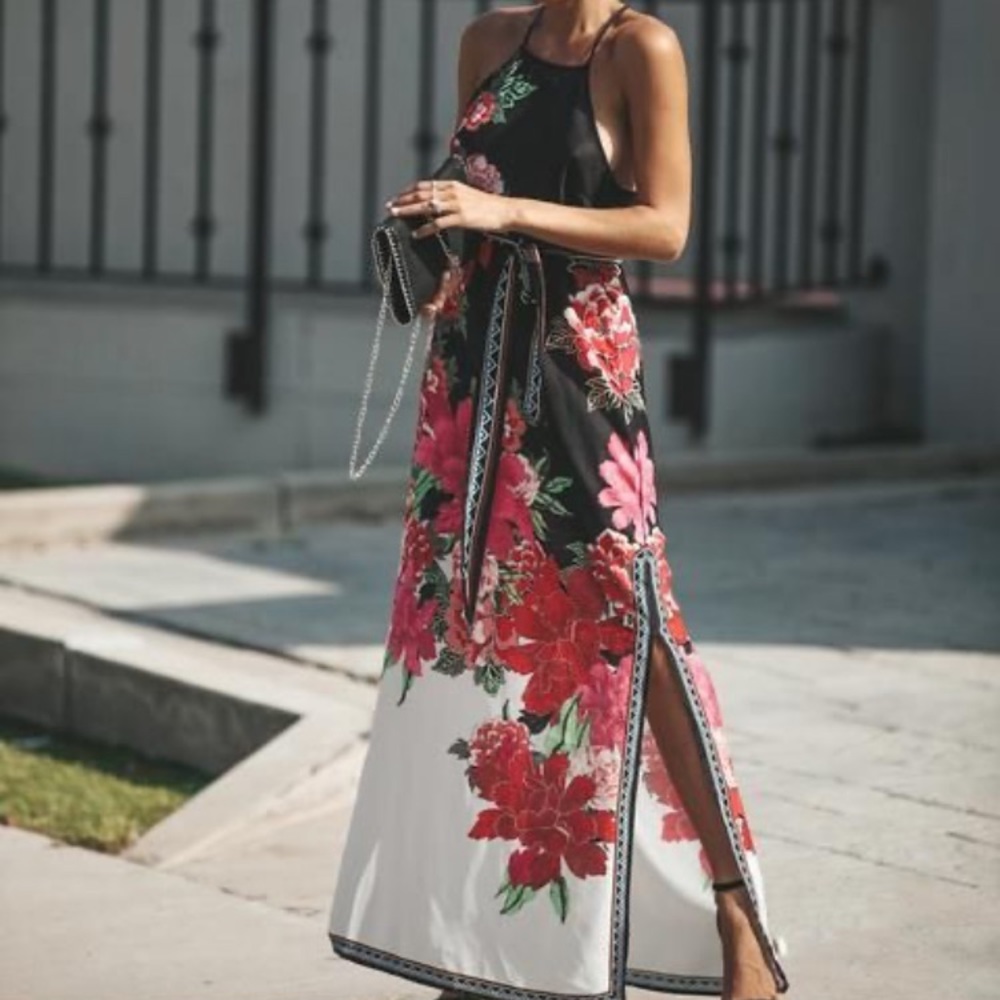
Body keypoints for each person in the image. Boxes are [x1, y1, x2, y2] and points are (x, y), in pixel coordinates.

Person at [328, 4, 789, 999]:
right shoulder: (488, 41)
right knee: (478, 638)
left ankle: (734, 904)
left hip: (578, 377)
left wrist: (502, 213)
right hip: (469, 381)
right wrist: (439, 227)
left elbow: (661, 226)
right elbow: (478, 195)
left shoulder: (639, 49)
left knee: (635, 620)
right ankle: (486, 947)